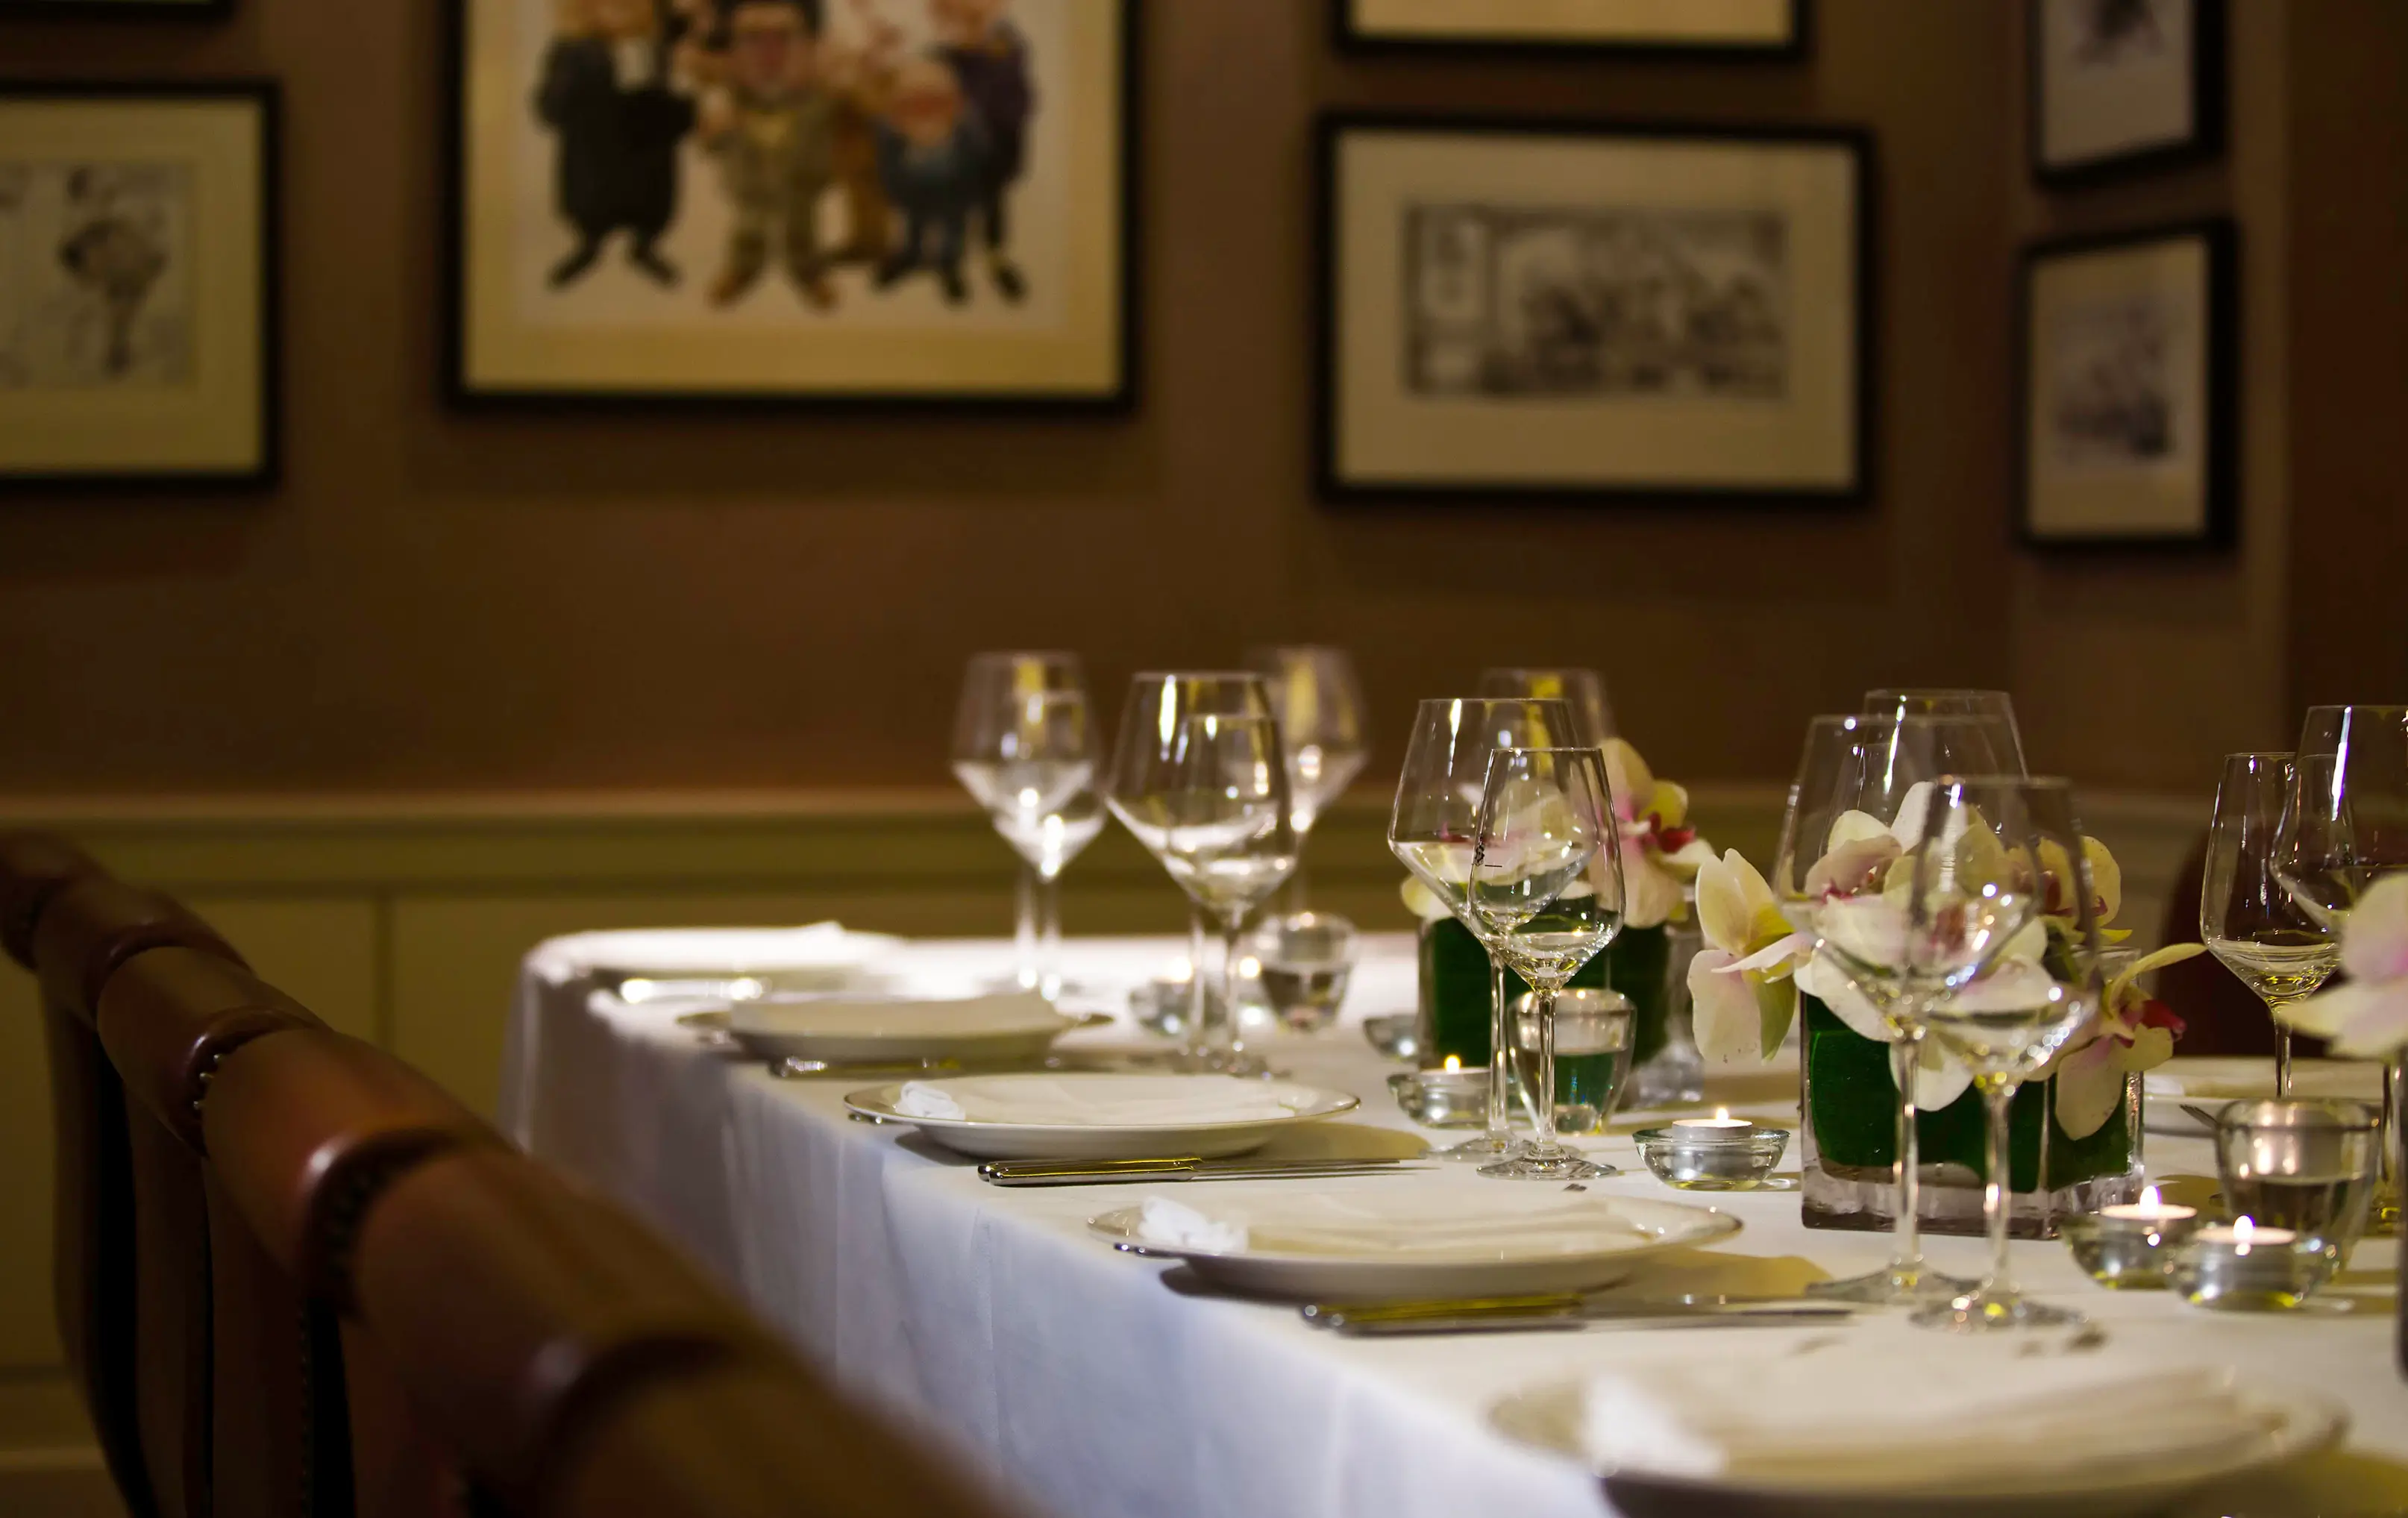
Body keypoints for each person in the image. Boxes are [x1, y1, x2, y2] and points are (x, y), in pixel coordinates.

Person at [534, 0, 700, 289]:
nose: (620, 11)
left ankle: (644, 246)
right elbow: (550, 108)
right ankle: (588, 245)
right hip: (593, 158)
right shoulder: (573, 52)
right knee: (589, 207)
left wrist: (681, 103)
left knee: (650, 205)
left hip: (647, 160)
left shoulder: (660, 50)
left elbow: (680, 111)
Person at [697, 0, 839, 308]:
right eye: (754, 39)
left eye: (783, 38)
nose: (770, 52)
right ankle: (744, 267)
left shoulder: (819, 100)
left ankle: (807, 271)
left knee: (802, 219)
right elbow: (708, 139)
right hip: (748, 164)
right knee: (750, 219)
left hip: (802, 163)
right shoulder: (726, 100)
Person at [929, 0, 1031, 302]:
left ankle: (996, 260)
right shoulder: (941, 57)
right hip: (956, 150)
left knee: (993, 205)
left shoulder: (1008, 48)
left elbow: (1020, 100)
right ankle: (950, 264)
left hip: (997, 146)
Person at [873, 54, 985, 304]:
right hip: (914, 188)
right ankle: (911, 257)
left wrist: (971, 194)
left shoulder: (968, 130)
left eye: (934, 100)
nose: (924, 108)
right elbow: (887, 167)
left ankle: (949, 266)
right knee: (914, 224)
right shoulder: (891, 133)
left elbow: (980, 164)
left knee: (953, 230)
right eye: (913, 101)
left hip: (953, 189)